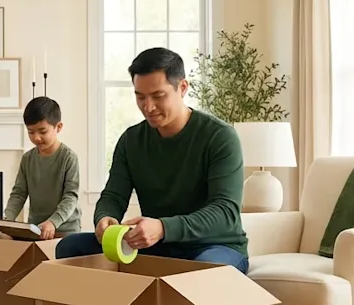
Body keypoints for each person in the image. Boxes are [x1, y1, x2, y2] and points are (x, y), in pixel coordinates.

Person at [55, 47, 249, 272]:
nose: (148, 107)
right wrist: (105, 217)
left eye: (158, 96)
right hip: (157, 245)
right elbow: (113, 196)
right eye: (140, 96)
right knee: (70, 247)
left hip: (215, 246)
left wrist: (164, 228)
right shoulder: (131, 140)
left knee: (204, 269)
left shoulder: (220, 136)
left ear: (182, 88)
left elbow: (225, 212)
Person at [2, 96, 81, 239]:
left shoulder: (69, 158)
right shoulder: (27, 159)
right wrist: (7, 220)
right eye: (31, 132)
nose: (36, 137)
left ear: (58, 127)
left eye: (42, 131)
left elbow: (71, 197)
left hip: (65, 230)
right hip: (36, 230)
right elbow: (19, 194)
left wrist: (53, 222)